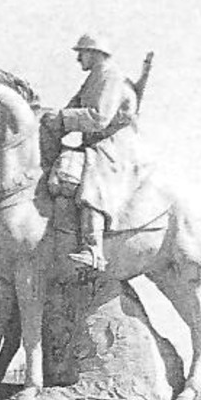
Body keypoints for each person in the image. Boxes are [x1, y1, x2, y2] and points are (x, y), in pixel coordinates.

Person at [45, 33, 140, 273]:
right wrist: (46, 122)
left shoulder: (111, 77)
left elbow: (99, 117)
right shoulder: (94, 78)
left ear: (96, 53)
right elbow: (71, 109)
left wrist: (62, 118)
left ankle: (93, 249)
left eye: (82, 52)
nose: (78, 58)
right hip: (96, 142)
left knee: (91, 177)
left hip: (113, 145)